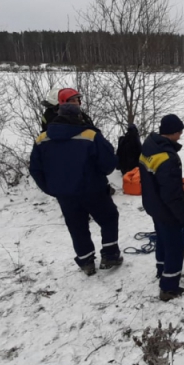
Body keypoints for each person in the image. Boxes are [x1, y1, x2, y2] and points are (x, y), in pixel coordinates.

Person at [29, 100, 122, 276]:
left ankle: (86, 261)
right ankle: (110, 255)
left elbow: (35, 169)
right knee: (109, 218)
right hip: (93, 189)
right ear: (78, 116)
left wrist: (51, 188)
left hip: (64, 193)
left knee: (76, 225)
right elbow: (108, 164)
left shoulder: (43, 138)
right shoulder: (90, 135)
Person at [139, 114, 184, 301]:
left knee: (162, 239)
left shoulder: (150, 145)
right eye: (180, 132)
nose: (181, 135)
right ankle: (169, 287)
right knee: (175, 247)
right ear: (174, 132)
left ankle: (161, 270)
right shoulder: (168, 158)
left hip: (153, 205)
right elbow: (171, 194)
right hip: (166, 209)